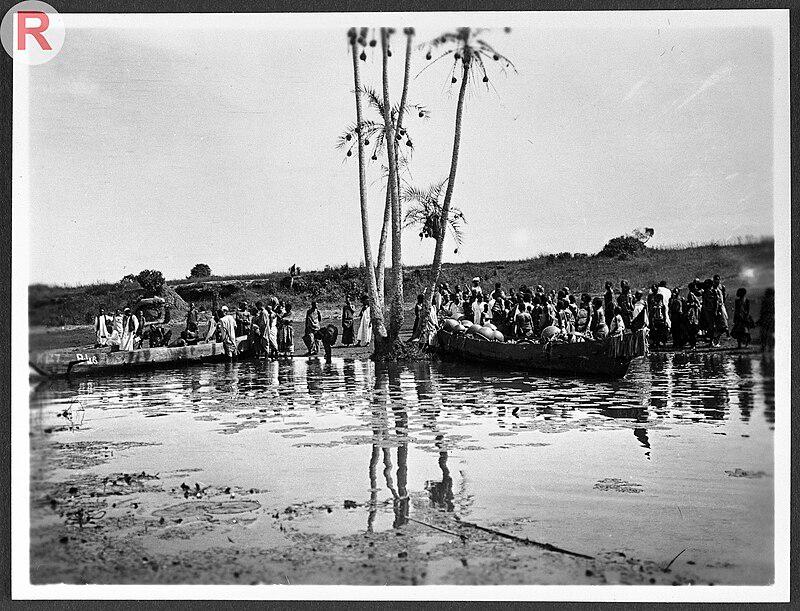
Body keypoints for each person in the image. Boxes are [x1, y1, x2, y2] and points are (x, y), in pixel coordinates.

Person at [756, 287, 774, 352]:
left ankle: (763, 347)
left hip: (765, 318)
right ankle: (770, 347)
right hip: (771, 318)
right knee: (770, 333)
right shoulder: (774, 300)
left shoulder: (765, 301)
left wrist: (760, 319)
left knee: (764, 333)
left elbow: (762, 311)